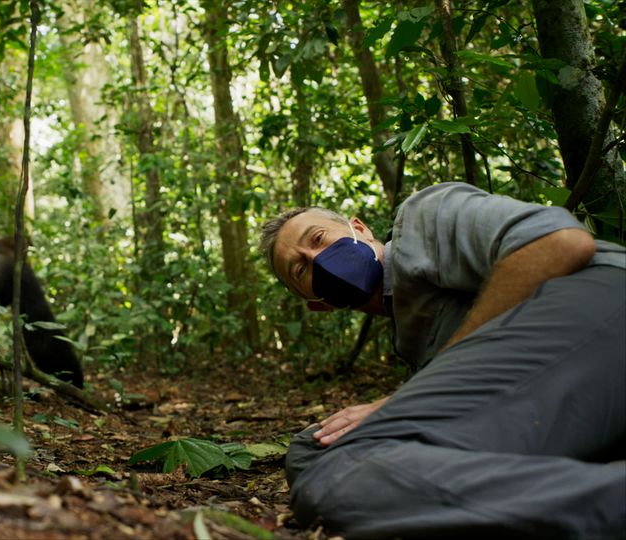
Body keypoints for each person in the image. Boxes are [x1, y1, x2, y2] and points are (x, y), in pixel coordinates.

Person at [259, 182, 625, 538]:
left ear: (360, 229)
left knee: (326, 462)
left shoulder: (421, 219)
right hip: (571, 390)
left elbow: (560, 242)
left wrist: (403, 400)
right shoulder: (409, 340)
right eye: (301, 269)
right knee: (320, 455)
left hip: (602, 301)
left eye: (319, 239)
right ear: (320, 305)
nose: (317, 259)